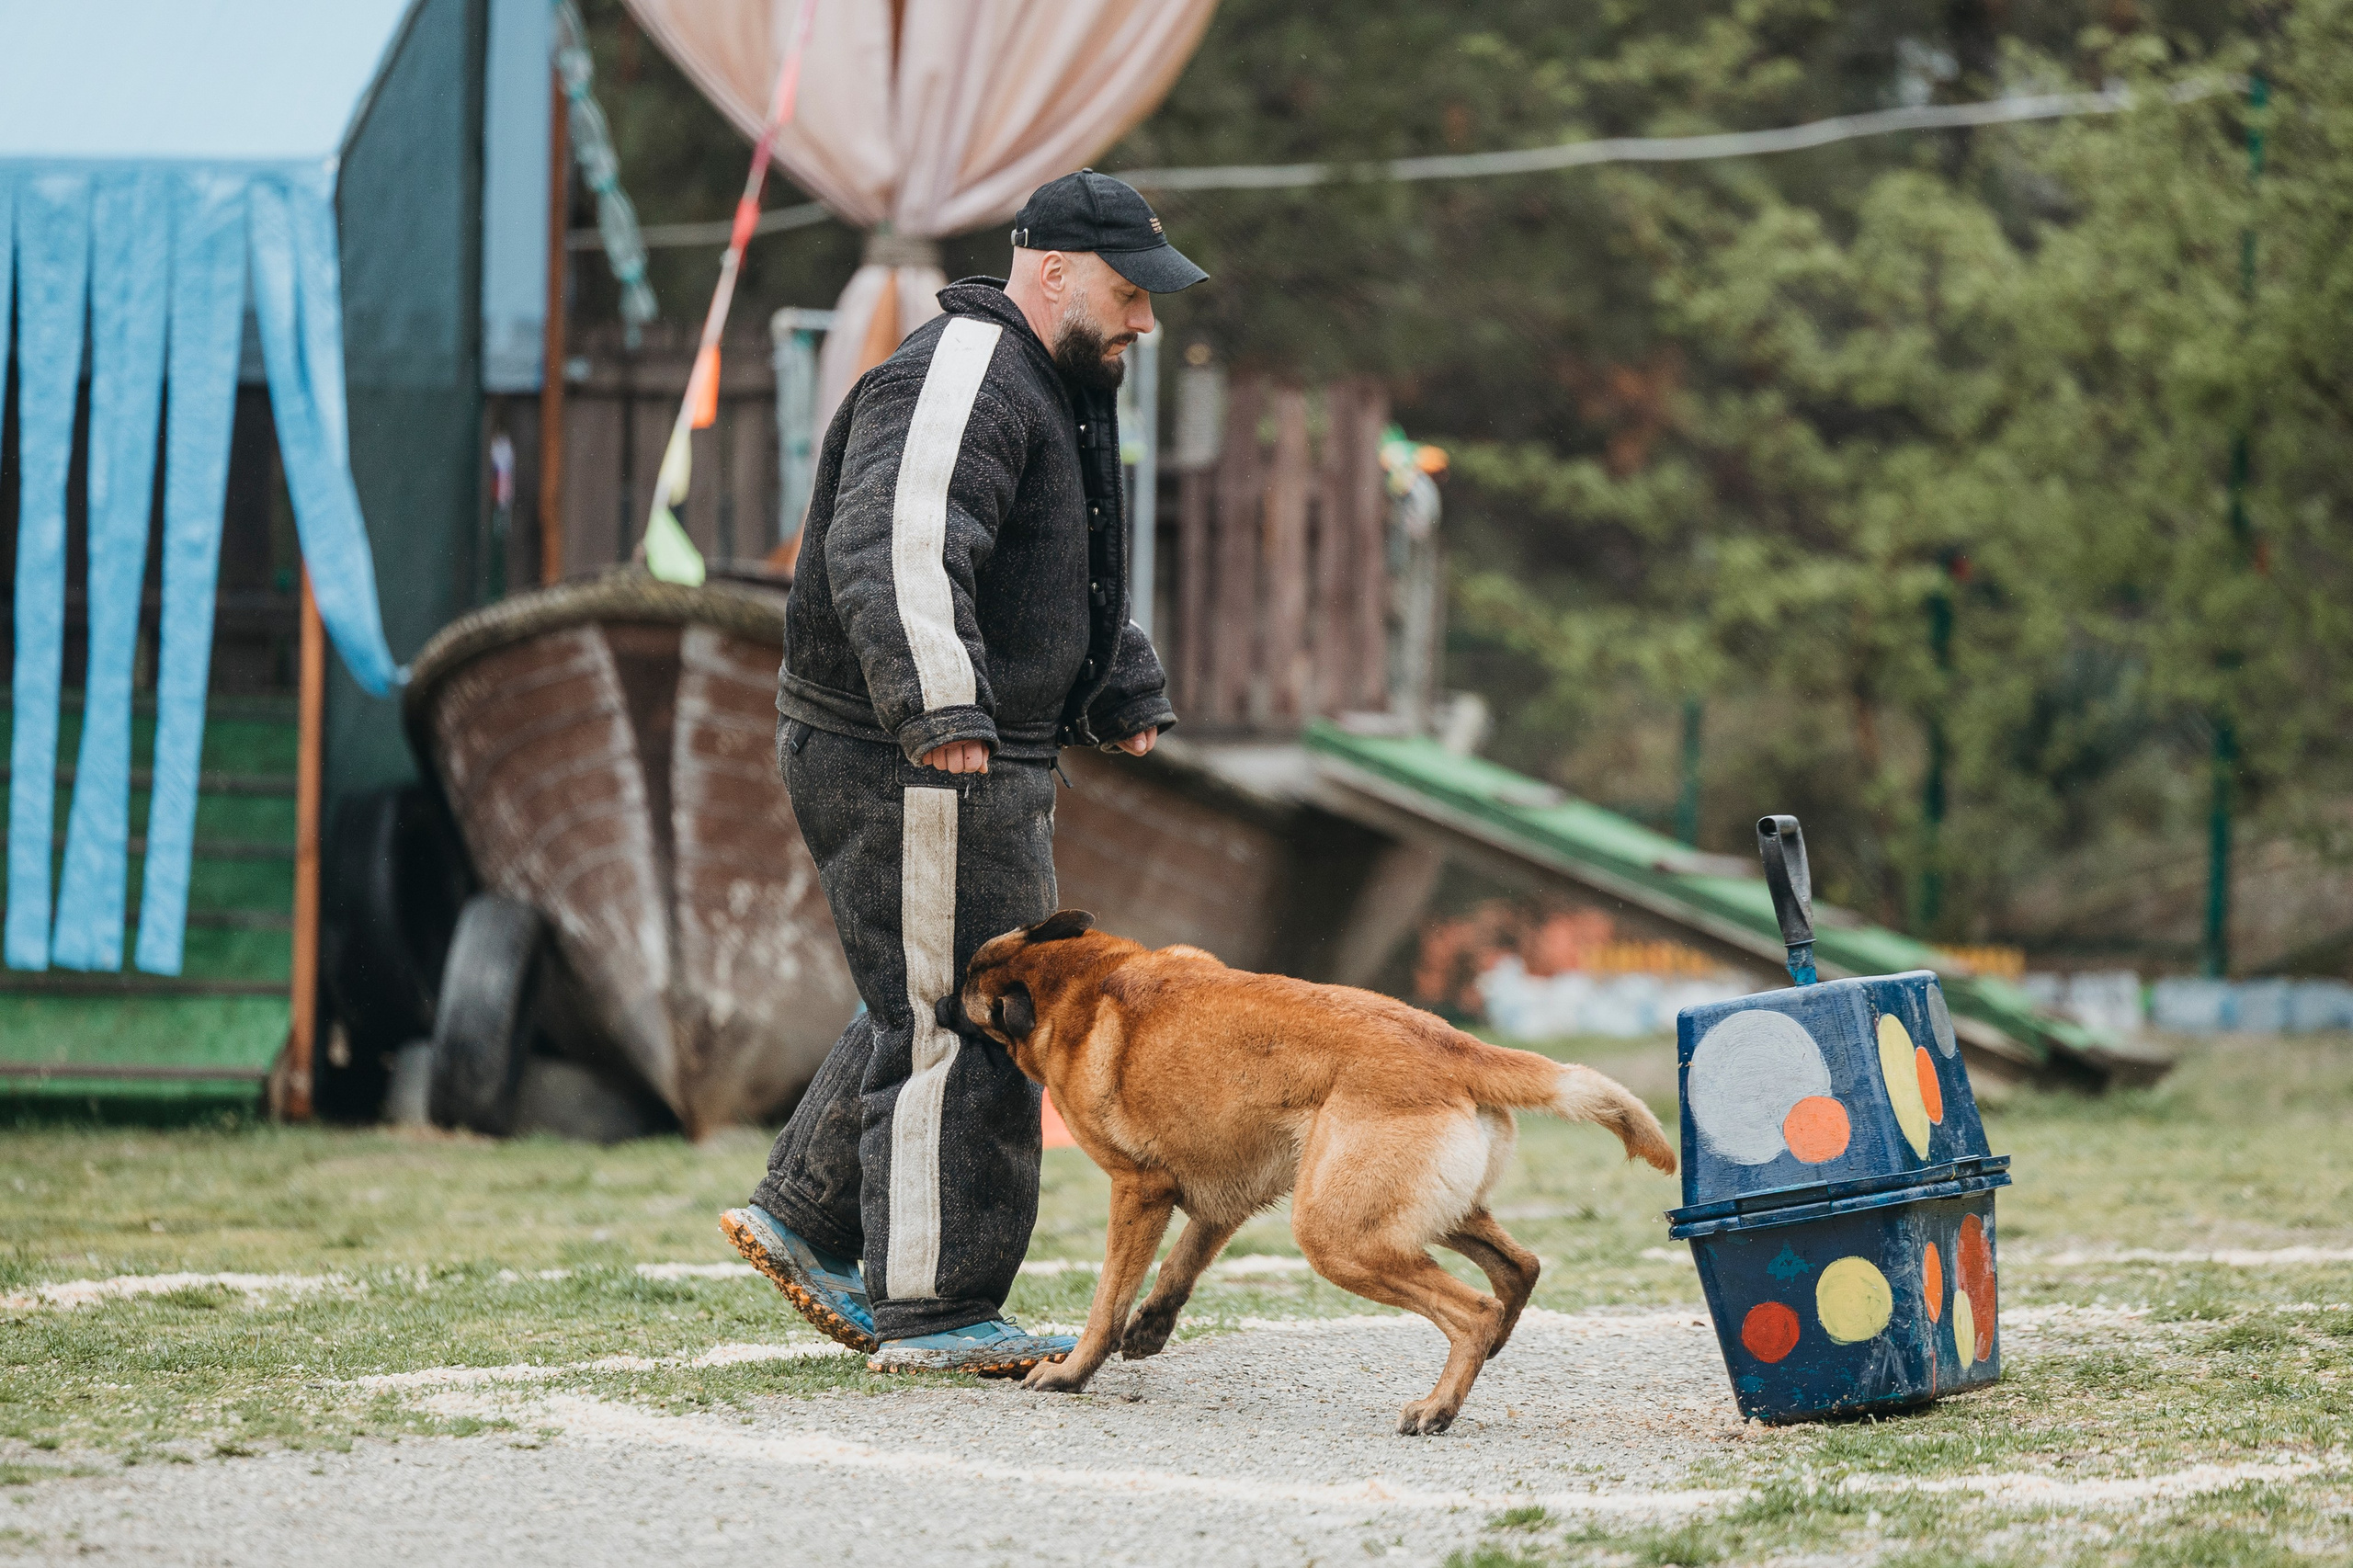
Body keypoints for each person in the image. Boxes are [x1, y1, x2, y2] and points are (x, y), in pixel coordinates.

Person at [720, 171, 1207, 1376]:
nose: (1145, 319)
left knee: (928, 986)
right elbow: (898, 540)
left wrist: (1119, 681)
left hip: (967, 749)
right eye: (1128, 292)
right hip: (916, 752)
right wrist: (938, 702)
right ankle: (936, 1307)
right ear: (1049, 272)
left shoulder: (1048, 382)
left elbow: (1058, 567)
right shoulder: (964, 372)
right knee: (977, 1013)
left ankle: (808, 1212)